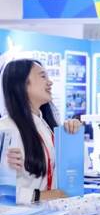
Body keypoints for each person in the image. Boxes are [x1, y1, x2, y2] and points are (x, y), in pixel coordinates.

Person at [1, 59, 81, 204]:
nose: (50, 82)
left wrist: (73, 137)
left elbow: (70, 172)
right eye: (43, 76)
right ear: (22, 83)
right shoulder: (6, 129)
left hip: (51, 213)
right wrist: (40, 196)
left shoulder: (46, 125)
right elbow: (3, 191)